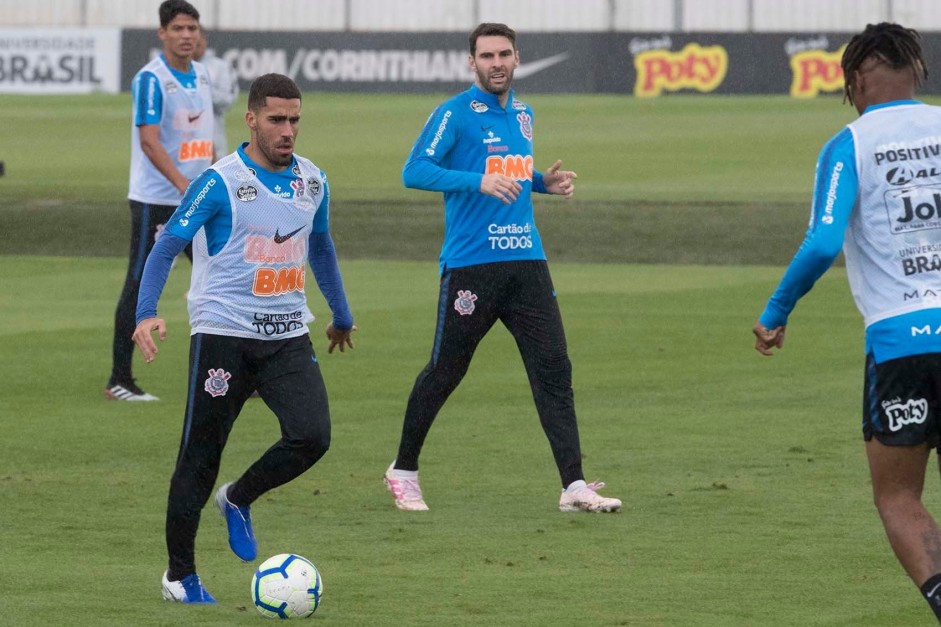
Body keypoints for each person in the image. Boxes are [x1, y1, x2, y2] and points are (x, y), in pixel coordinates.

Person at [133, 73, 356, 604]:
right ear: (251, 119)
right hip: (223, 336)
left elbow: (320, 247)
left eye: (295, 120)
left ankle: (238, 497)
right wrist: (146, 313)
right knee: (200, 457)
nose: (287, 130)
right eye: (276, 119)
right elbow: (166, 248)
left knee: (313, 435)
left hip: (287, 336)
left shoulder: (313, 182)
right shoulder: (218, 182)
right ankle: (179, 577)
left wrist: (341, 314)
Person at [383, 23, 621, 514]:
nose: (496, 63)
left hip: (527, 261)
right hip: (472, 264)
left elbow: (510, 170)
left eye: (504, 54)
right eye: (487, 55)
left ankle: (573, 485)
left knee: (554, 369)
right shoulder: (454, 113)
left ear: (517, 59)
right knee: (446, 371)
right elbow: (415, 170)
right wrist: (479, 181)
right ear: (471, 62)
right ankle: (403, 470)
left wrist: (540, 183)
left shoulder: (524, 113)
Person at [753, 22, 941, 623]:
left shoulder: (849, 145)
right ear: (916, 71)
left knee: (898, 495)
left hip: (901, 343)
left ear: (855, 80)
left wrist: (775, 313)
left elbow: (820, 244)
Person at [105, 0, 212, 402]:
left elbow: (203, 136)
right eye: (179, 28)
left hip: (198, 195)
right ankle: (120, 379)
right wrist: (184, 184)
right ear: (162, 33)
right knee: (139, 282)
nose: (186, 35)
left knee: (222, 271)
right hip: (159, 200)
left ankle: (240, 368)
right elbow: (149, 142)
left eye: (192, 28)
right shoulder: (151, 80)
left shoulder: (202, 74)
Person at [194, 29, 240, 161]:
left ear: (205, 40)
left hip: (213, 136)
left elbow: (228, 99)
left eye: (199, 40)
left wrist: (199, 92)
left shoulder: (219, 67)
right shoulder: (172, 68)